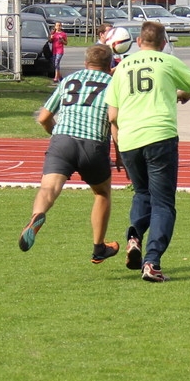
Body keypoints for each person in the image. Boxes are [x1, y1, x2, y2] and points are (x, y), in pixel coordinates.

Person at [106, 21, 190, 283]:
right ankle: (151, 262)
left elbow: (113, 114)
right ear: (163, 43)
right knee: (163, 202)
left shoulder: (121, 68)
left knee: (143, 193)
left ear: (139, 42)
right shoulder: (166, 61)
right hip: (160, 136)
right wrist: (184, 93)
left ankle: (134, 236)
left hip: (130, 139)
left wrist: (118, 147)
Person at [18, 44, 121, 263]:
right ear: (110, 65)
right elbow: (114, 120)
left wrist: (55, 135)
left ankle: (37, 216)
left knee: (49, 188)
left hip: (62, 140)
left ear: (86, 63)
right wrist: (120, 152)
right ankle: (98, 247)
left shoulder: (69, 80)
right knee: (102, 193)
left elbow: (44, 117)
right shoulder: (114, 84)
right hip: (93, 144)